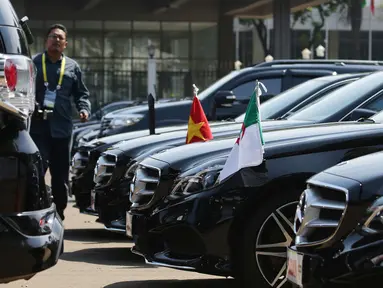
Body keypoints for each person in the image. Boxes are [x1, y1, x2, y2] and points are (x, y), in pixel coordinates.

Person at [30, 24, 91, 221]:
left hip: (62, 130)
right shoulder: (35, 63)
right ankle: (35, 210)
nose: (56, 40)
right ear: (45, 41)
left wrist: (84, 109)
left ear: (65, 44)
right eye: (52, 37)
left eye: (60, 38)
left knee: (60, 176)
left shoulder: (73, 67)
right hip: (39, 129)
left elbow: (81, 93)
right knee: (36, 171)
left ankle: (59, 214)